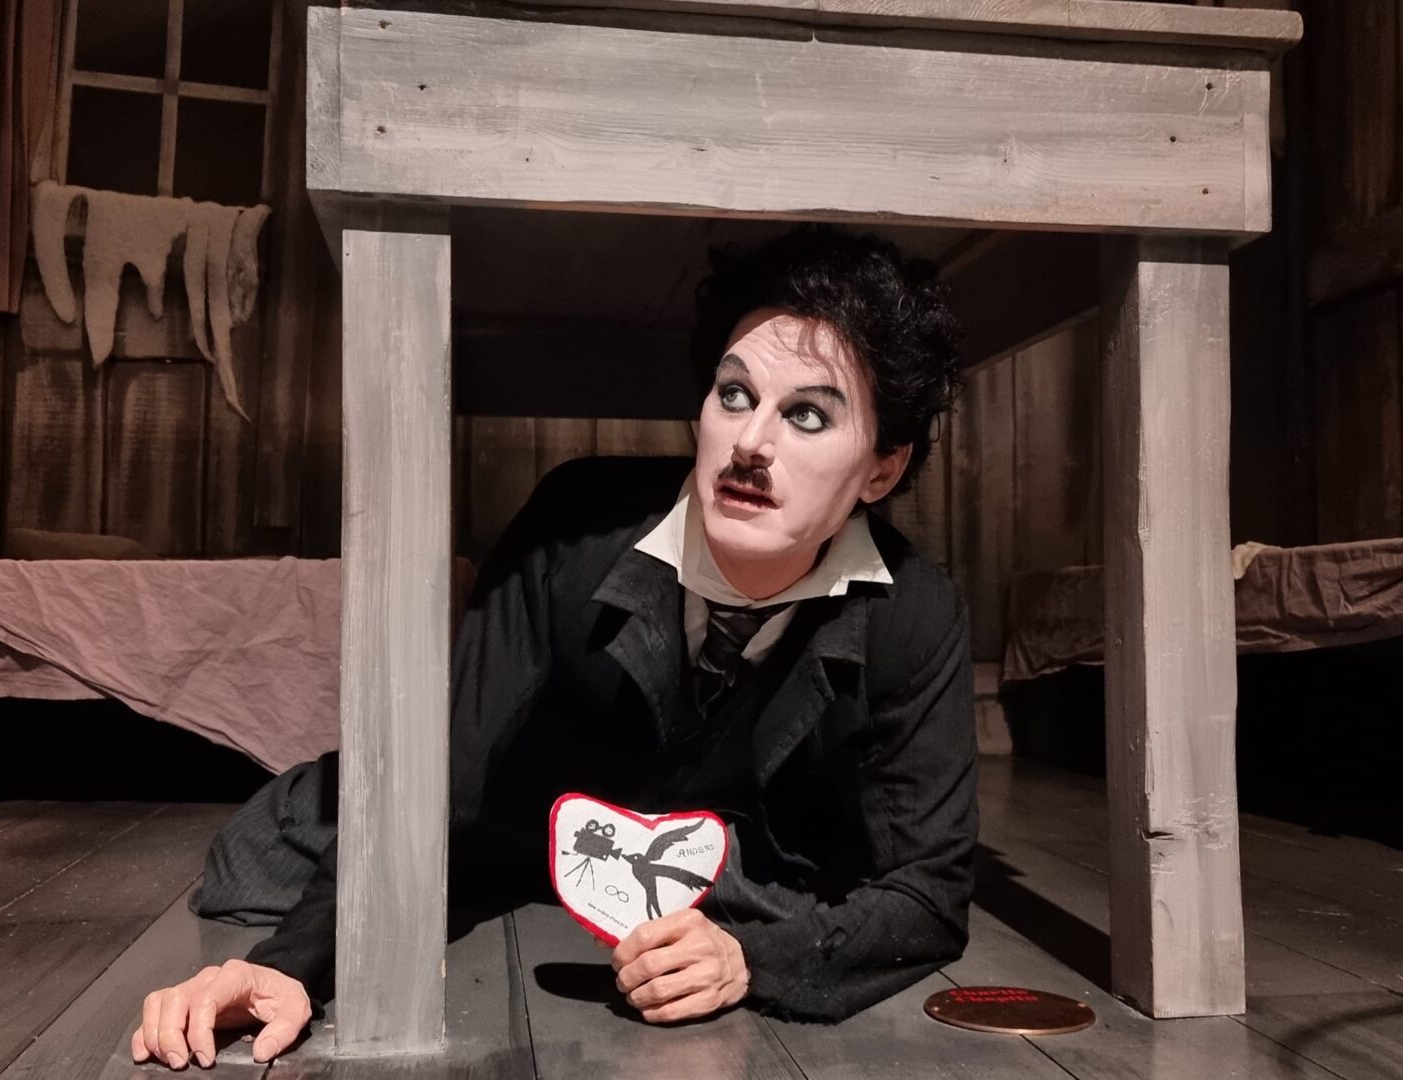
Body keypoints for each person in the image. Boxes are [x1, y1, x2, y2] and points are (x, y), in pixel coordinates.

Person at [132, 225, 975, 1071]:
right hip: (519, 823)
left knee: (760, 889)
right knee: (262, 854)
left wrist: (747, 959)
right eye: (733, 395)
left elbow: (927, 892)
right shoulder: (576, 527)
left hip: (732, 865)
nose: (752, 443)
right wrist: (288, 966)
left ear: (881, 469)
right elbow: (448, 773)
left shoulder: (913, 610)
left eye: (807, 415)